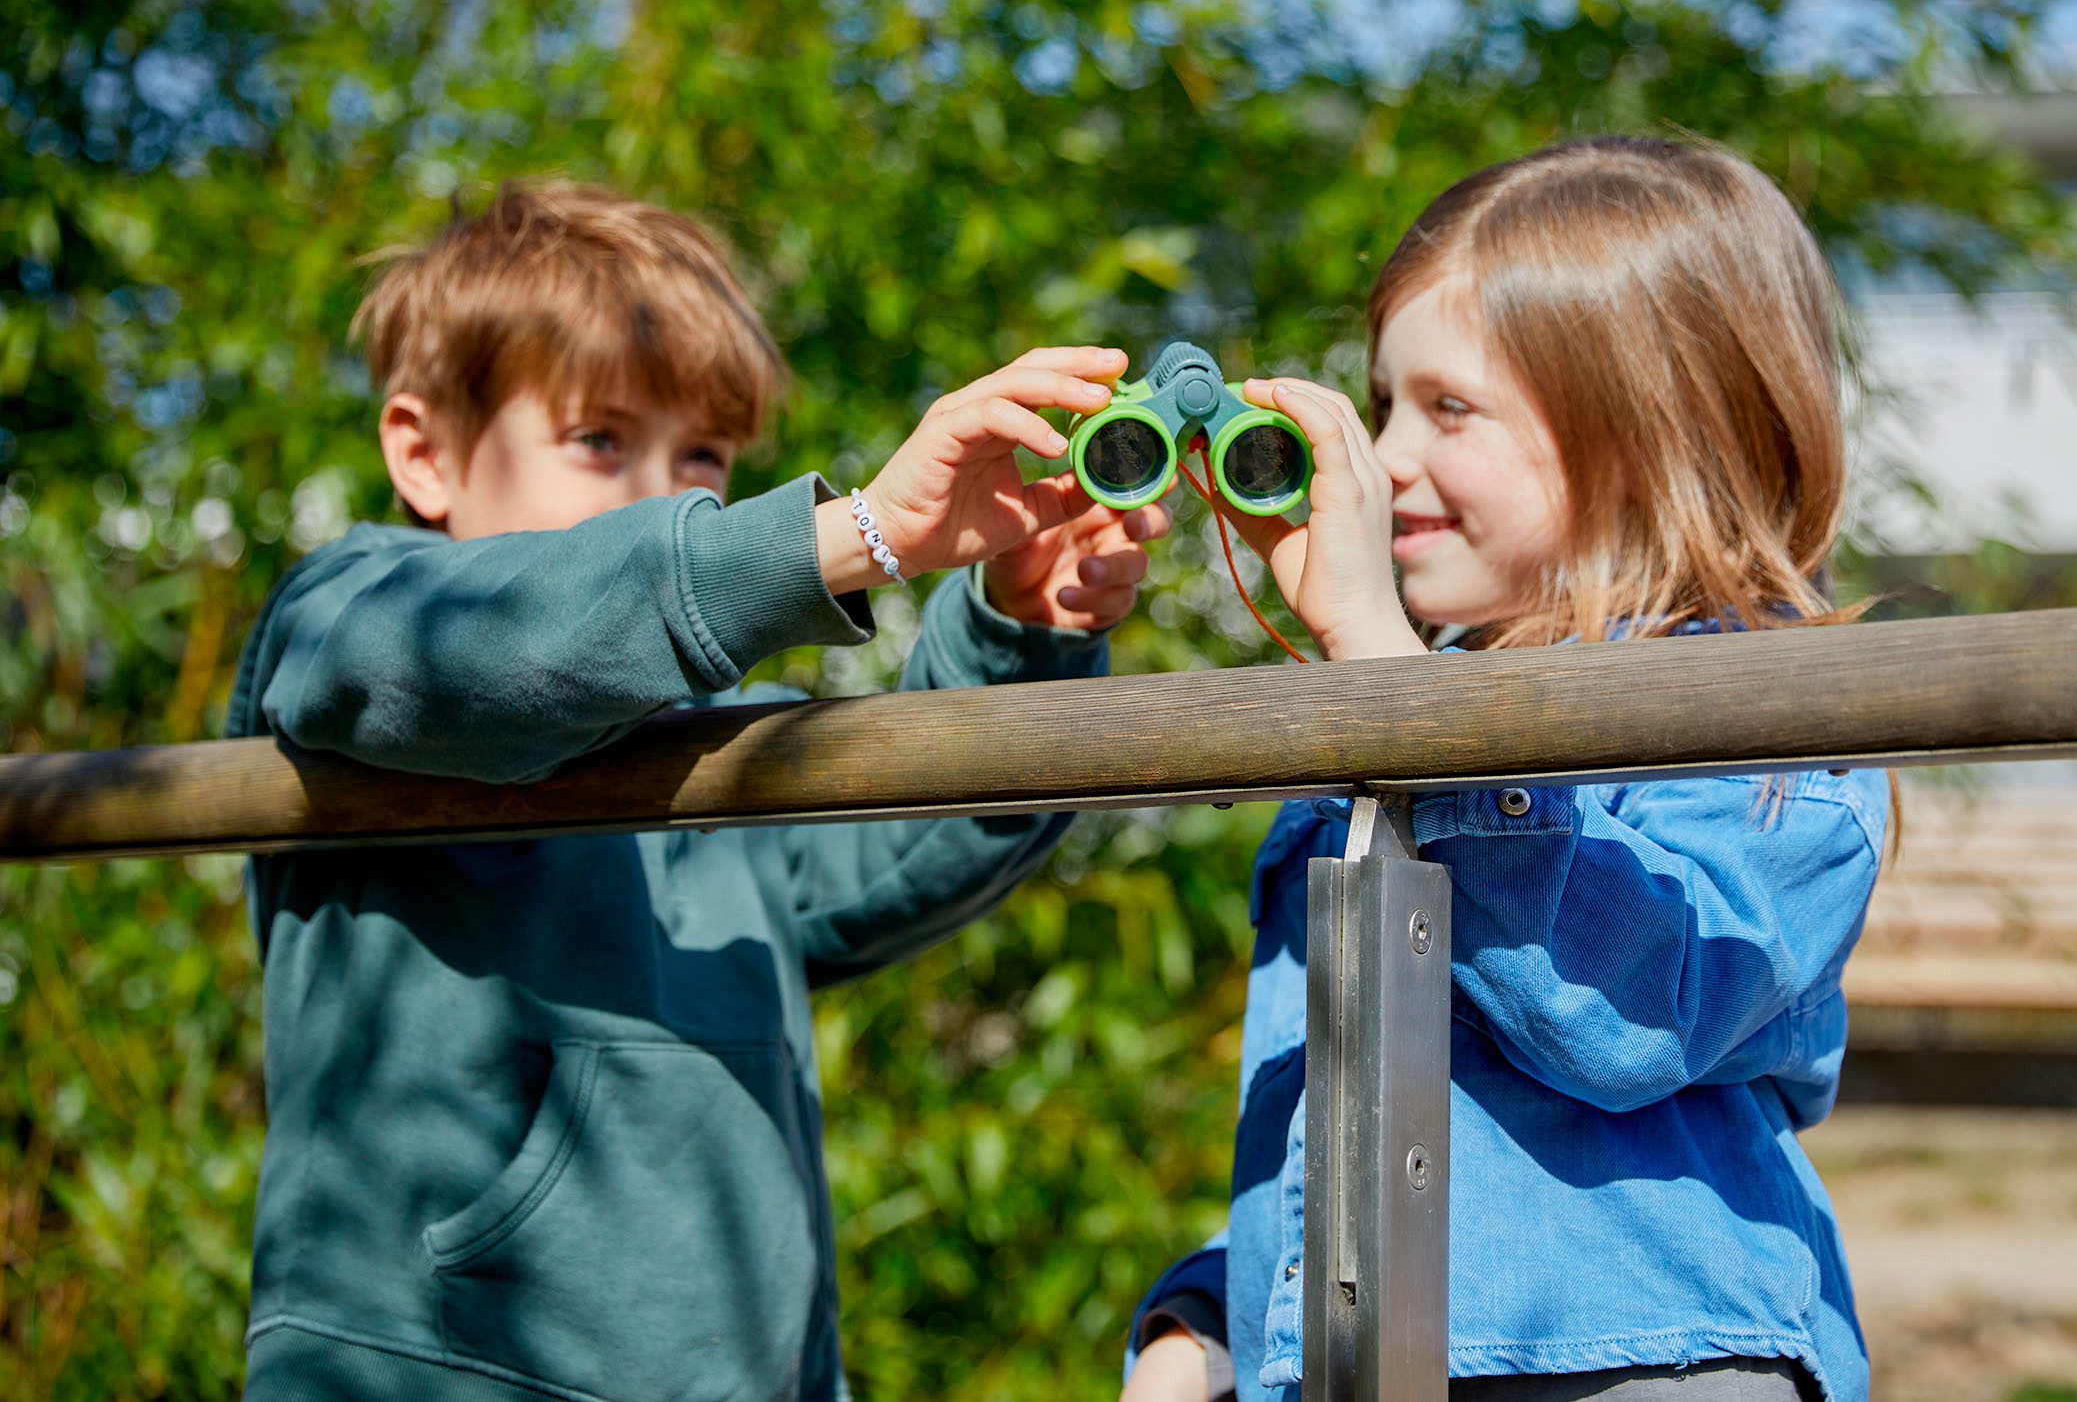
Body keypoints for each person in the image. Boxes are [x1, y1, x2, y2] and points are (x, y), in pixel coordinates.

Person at [227, 179, 1167, 1402]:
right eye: (600, 440)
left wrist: (1016, 628)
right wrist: (855, 532)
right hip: (437, 1368)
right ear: (423, 451)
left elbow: (894, 851)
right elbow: (488, 649)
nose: (669, 496)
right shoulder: (359, 610)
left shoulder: (724, 748)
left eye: (706, 456)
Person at [1122, 136, 1892, 1402]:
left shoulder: (1759, 720)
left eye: (1448, 407)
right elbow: (1364, 1114)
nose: (1386, 456)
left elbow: (1623, 1016)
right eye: (1380, 403)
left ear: (1650, 423)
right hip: (1381, 1362)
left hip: (1647, 1366)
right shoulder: (1385, 721)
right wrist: (1201, 1320)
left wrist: (1386, 671)